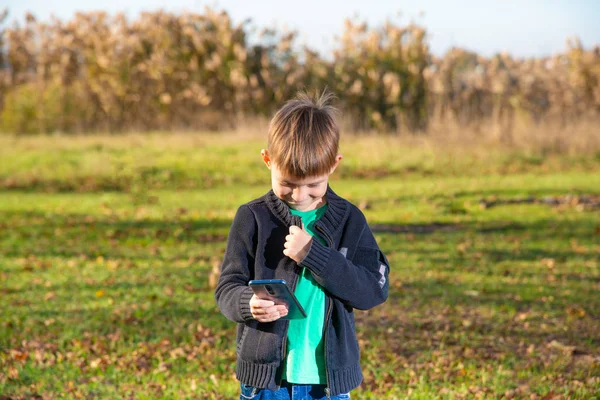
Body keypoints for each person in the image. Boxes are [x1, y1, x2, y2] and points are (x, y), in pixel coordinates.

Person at [214, 90, 390, 400]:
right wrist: (248, 304)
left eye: (313, 184)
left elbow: (372, 291)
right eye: (287, 183)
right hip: (266, 384)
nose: (299, 195)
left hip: (328, 386)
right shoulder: (253, 217)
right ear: (268, 160)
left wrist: (314, 255)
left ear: (333, 165)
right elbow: (227, 287)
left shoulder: (350, 220)